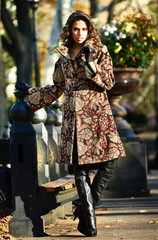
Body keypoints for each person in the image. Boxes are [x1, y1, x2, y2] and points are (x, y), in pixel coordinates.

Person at [16, 10, 126, 237]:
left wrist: (91, 64)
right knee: (81, 169)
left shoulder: (100, 51)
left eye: (84, 29)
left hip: (98, 116)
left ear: (90, 29)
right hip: (73, 118)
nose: (80, 33)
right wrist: (30, 93)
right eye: (76, 29)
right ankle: (90, 222)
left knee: (111, 162)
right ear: (69, 30)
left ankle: (86, 212)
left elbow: (108, 82)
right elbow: (56, 89)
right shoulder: (63, 57)